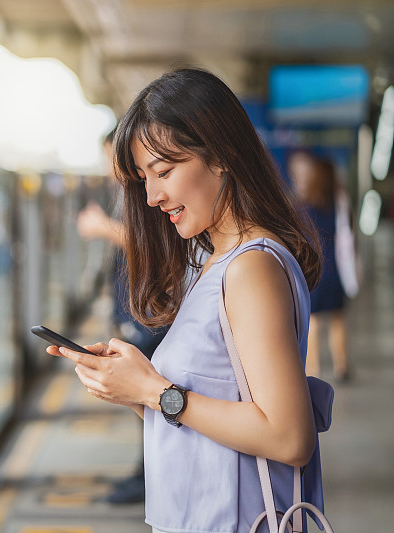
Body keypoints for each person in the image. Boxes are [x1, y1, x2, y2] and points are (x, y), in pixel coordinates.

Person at [48, 68, 326, 532]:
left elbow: (288, 435)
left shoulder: (250, 269)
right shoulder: (214, 261)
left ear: (220, 156)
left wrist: (155, 392)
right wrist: (135, 386)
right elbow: (214, 409)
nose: (153, 195)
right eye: (143, 178)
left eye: (164, 171)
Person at [77, 130, 168, 504]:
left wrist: (101, 228)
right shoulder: (130, 193)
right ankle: (144, 473)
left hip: (149, 314)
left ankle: (151, 478)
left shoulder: (146, 197)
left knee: (149, 395)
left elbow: (145, 243)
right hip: (136, 310)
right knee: (143, 399)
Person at [288, 151, 352, 382]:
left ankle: (313, 368)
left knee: (312, 321)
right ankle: (342, 366)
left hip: (315, 269)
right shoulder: (337, 202)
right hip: (336, 270)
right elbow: (347, 235)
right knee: (338, 318)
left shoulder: (303, 206)